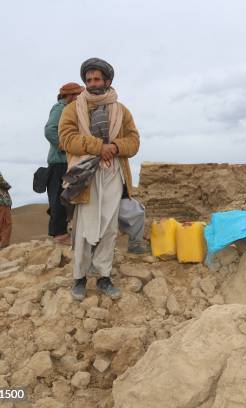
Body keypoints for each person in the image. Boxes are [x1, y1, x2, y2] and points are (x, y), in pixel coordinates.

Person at [59, 58, 140, 300]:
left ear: (108, 81)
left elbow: (134, 141)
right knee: (85, 226)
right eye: (89, 79)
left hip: (113, 171)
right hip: (86, 174)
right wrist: (97, 147)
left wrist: (114, 146)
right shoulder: (72, 109)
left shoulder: (121, 110)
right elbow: (66, 139)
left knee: (109, 226)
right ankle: (80, 278)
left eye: (97, 79)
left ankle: (104, 277)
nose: (92, 84)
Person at [44, 82, 84, 245]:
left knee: (67, 196)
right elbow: (50, 130)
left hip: (66, 161)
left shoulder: (70, 109)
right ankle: (59, 234)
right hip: (59, 161)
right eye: (78, 95)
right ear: (70, 96)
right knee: (59, 197)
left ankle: (63, 230)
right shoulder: (60, 108)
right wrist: (65, 146)